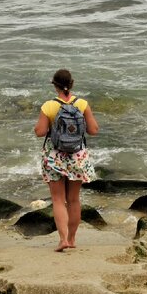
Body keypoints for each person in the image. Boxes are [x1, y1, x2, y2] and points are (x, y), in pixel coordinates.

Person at [34, 68, 99, 251]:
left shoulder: (49, 106)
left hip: (54, 156)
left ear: (55, 86)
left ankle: (62, 239)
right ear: (72, 84)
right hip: (77, 156)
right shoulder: (82, 104)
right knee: (73, 200)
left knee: (57, 199)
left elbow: (40, 132)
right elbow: (93, 130)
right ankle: (71, 239)